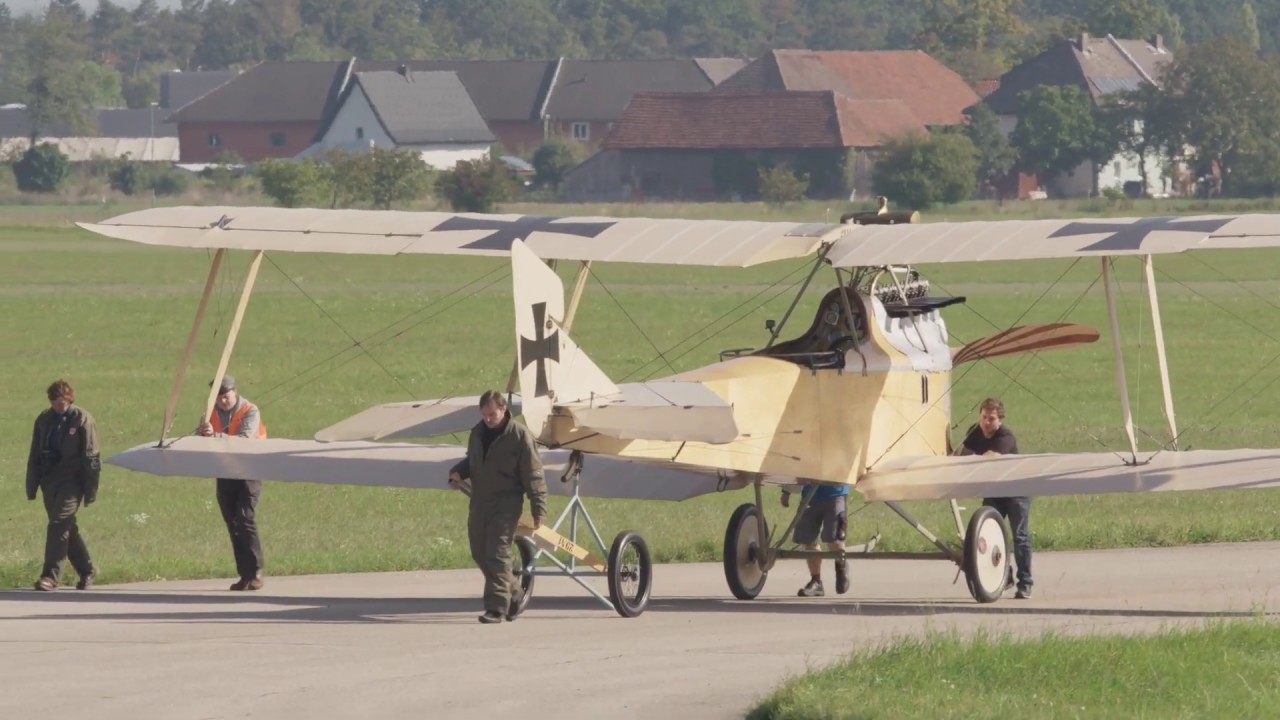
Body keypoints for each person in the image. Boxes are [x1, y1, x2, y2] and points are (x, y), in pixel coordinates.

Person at [449, 391, 548, 624]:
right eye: (484, 414)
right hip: (480, 501)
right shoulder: (478, 433)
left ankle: (496, 609)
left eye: (492, 414)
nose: (488, 419)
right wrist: (459, 471)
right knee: (479, 553)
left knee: (497, 554)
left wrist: (538, 509)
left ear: (503, 409)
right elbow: (474, 461)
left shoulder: (519, 436)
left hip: (506, 503)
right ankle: (515, 592)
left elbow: (534, 475)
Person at [26, 380, 100, 591]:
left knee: (58, 523)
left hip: (73, 481)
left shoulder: (82, 419)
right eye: (55, 402)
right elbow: (35, 453)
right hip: (50, 482)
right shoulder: (44, 419)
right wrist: (32, 485)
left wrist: (90, 489)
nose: (59, 406)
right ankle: (87, 570)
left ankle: (50, 576)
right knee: (66, 527)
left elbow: (91, 456)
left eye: (63, 402)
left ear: (70, 399)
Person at [197, 374, 268, 591]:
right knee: (232, 521)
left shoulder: (250, 411)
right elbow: (203, 440)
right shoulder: (210, 414)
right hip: (225, 470)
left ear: (234, 392)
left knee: (245, 518)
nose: (223, 401)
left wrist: (215, 436)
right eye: (219, 398)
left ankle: (256, 571)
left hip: (249, 470)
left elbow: (245, 440)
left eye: (226, 396)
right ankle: (244, 575)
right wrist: (204, 433)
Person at [958, 397, 1032, 599]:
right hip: (995, 490)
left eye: (991, 419)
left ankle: (1025, 583)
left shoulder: (1005, 436)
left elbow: (991, 456)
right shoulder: (976, 431)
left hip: (1016, 490)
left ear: (1000, 420)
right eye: (983, 417)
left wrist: (970, 460)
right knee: (989, 534)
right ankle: (1004, 576)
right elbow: (961, 453)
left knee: (1020, 537)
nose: (986, 423)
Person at [781, 482, 849, 597]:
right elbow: (799, 466)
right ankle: (816, 581)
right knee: (808, 539)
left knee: (834, 538)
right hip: (810, 495)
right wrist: (787, 491)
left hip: (836, 493)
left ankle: (841, 570)